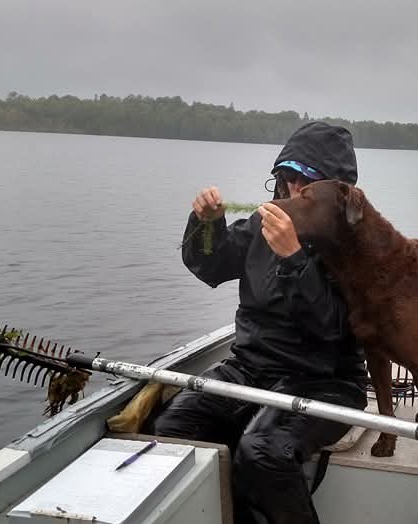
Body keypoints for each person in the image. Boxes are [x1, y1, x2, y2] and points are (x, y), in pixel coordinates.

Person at [152, 121, 368, 524]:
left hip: (327, 381)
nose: (294, 190)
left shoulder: (356, 245)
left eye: (308, 181)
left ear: (335, 190)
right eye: (287, 177)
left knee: (263, 451)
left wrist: (294, 259)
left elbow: (332, 329)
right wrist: (206, 223)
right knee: (173, 425)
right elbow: (212, 265)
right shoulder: (261, 224)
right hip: (250, 368)